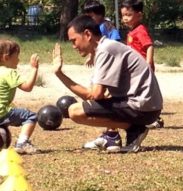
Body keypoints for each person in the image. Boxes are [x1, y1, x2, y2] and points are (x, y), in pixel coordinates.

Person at [52, 15, 163, 153]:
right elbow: (94, 94)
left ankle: (133, 129)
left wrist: (60, 75)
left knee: (74, 111)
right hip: (145, 105)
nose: (74, 46)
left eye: (74, 41)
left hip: (143, 106)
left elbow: (94, 95)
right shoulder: (103, 49)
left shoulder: (106, 49)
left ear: (87, 34)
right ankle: (115, 134)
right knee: (92, 103)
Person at [0, 39, 40, 154]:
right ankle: (22, 143)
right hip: (2, 112)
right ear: (6, 58)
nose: (19, 60)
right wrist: (34, 69)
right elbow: (28, 87)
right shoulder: (9, 72)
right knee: (30, 116)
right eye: (17, 56)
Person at [82, 0, 121, 67]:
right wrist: (91, 57)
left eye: (91, 16)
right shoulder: (94, 27)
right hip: (102, 55)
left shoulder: (105, 25)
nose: (89, 20)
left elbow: (116, 39)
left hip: (111, 55)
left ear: (100, 15)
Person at [120, 0, 155, 71]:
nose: (125, 18)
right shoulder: (132, 31)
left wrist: (148, 63)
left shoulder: (140, 30)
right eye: (123, 15)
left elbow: (149, 46)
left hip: (142, 68)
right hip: (136, 67)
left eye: (129, 15)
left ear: (139, 15)